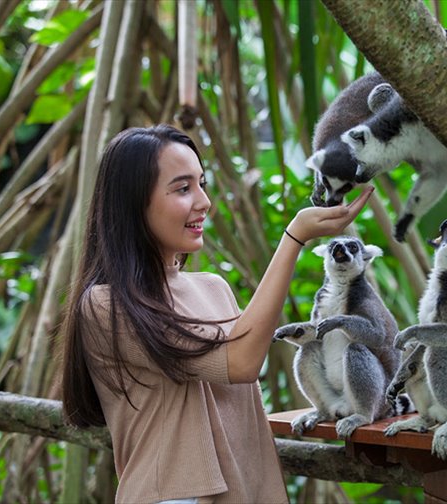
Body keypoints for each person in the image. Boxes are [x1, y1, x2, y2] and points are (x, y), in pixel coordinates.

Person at [60, 124, 373, 503]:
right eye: (182, 188)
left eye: (202, 184)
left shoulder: (213, 288)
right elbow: (240, 362)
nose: (204, 201)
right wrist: (294, 238)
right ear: (133, 203)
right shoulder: (105, 305)